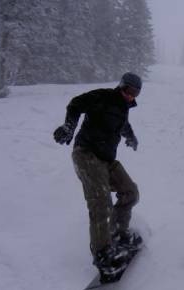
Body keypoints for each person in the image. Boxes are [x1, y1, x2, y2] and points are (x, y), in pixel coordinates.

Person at [53, 72, 143, 275]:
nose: (131, 96)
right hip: (86, 154)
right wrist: (69, 127)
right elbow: (76, 104)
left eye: (135, 93)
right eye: (128, 91)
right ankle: (102, 253)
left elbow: (123, 125)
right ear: (121, 86)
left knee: (130, 192)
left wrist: (131, 137)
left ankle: (118, 233)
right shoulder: (103, 96)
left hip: (106, 160)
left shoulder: (123, 108)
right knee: (101, 201)